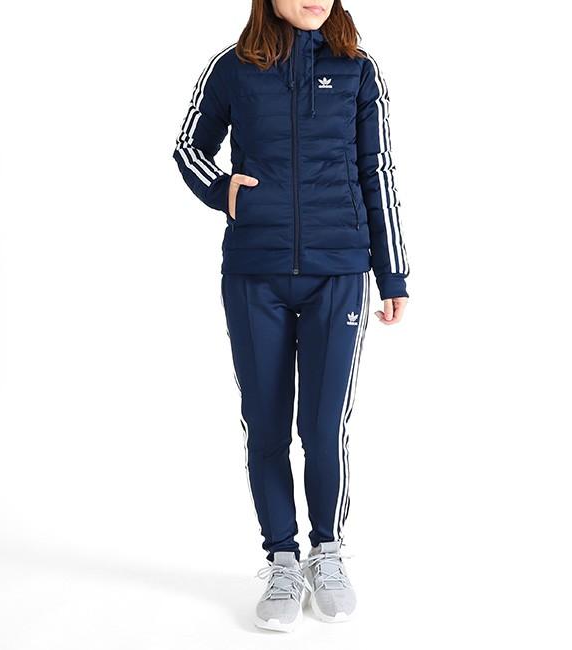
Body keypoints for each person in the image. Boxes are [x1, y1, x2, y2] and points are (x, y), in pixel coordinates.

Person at [172, 0, 408, 632]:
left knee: (323, 426)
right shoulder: (233, 67)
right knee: (267, 426)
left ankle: (327, 551)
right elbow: (188, 147)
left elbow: (377, 171)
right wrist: (221, 188)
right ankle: (282, 558)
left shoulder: (358, 70)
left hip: (338, 271)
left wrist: (391, 272)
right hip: (256, 272)